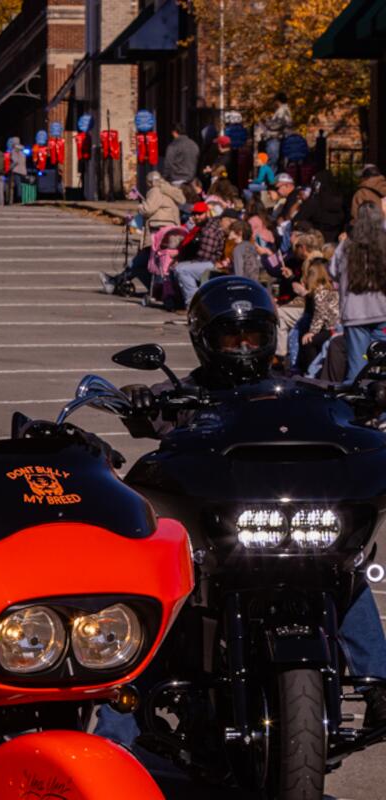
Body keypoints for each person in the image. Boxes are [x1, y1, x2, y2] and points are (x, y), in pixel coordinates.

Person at [93, 275, 386, 748]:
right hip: (219, 540)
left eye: (253, 334)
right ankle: (114, 737)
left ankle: (381, 686)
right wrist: (138, 399)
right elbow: (144, 413)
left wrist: (370, 392)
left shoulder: (293, 389)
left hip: (287, 529)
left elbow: (339, 403)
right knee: (158, 594)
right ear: (206, 341)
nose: (245, 346)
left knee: (348, 569)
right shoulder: (183, 394)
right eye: (232, 337)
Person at [331, 203, 386, 379]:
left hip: (355, 315)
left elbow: (332, 272)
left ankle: (358, 396)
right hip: (383, 312)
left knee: (358, 367)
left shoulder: (346, 246)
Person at [174, 201, 227, 306]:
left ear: (206, 213)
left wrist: (190, 261)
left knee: (182, 270)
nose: (196, 217)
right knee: (176, 267)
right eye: (194, 214)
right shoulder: (203, 225)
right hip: (206, 261)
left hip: (213, 264)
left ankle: (194, 303)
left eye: (200, 214)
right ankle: (182, 301)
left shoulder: (208, 231)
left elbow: (205, 256)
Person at [298, 257, 340, 374]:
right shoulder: (331, 288)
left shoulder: (319, 292)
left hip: (332, 329)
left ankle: (311, 371)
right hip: (337, 327)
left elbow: (320, 314)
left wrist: (312, 332)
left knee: (309, 341)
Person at [293, 170, 345, 243]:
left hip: (317, 240)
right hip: (337, 240)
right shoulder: (341, 200)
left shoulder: (316, 200)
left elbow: (298, 219)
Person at [263, 93, 292, 171]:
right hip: (278, 138)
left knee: (272, 161)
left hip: (275, 138)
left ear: (278, 101)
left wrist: (268, 124)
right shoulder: (284, 110)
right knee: (274, 161)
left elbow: (278, 124)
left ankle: (271, 177)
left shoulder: (282, 110)